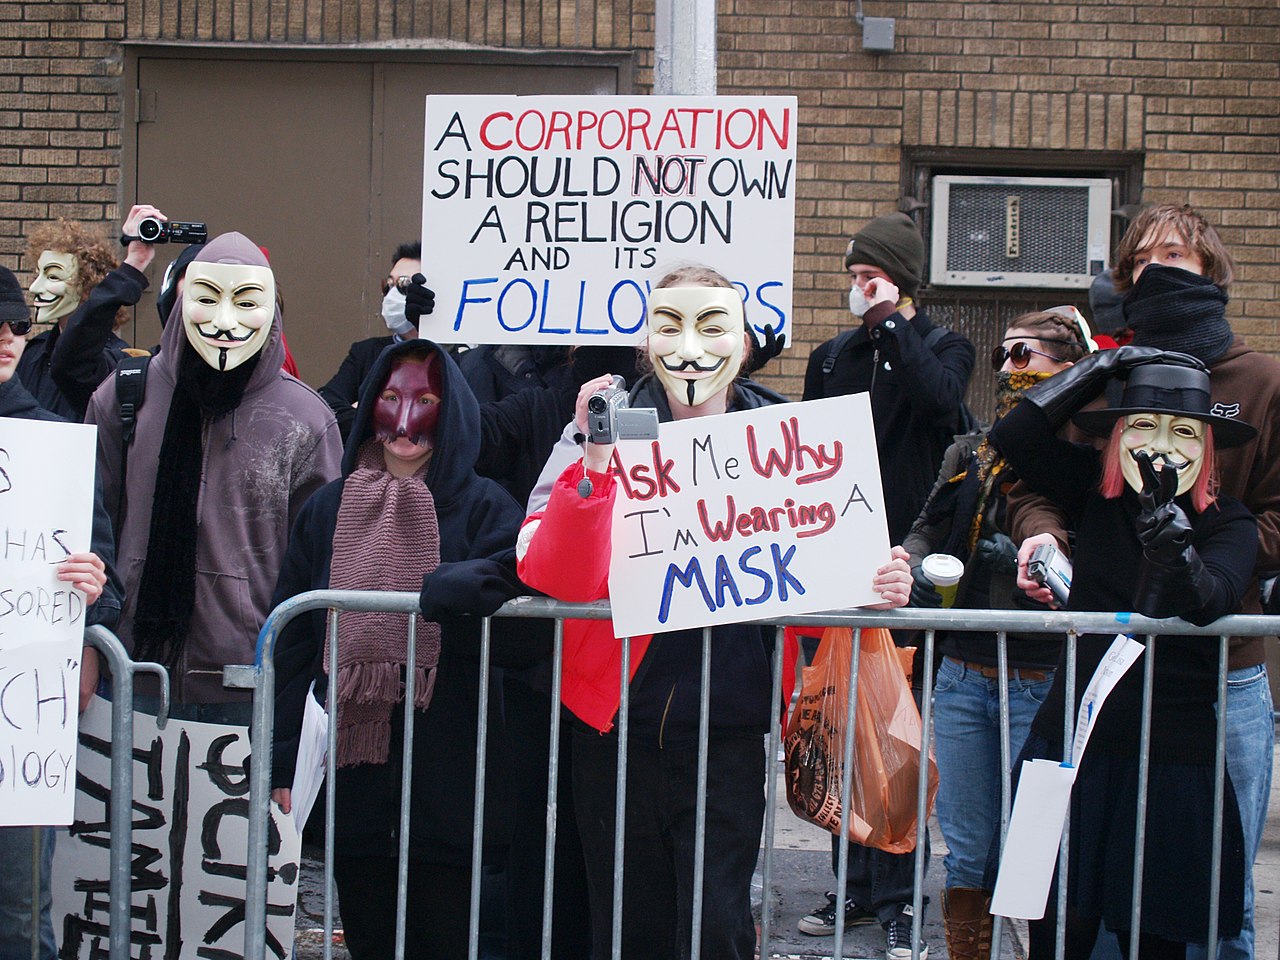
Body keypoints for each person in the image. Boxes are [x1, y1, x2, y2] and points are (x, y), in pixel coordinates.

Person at [517, 264, 914, 960]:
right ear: (646, 340)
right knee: (627, 926)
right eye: (669, 325)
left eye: (710, 324)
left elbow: (821, 580)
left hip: (725, 729)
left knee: (715, 926)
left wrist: (874, 581)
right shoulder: (602, 430)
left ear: (741, 339)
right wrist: (597, 460)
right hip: (615, 726)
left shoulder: (783, 435)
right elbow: (549, 567)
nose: (689, 346)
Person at [1008, 204, 1277, 960]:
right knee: (1052, 907)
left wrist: (1191, 552)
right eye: (1148, 255)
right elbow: (1021, 451)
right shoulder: (1102, 480)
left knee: (1186, 921)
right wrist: (1103, 366)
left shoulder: (1262, 386)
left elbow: (1210, 591)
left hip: (1205, 709)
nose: (1161, 445)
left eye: (1180, 254)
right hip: (1079, 729)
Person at [270, 339, 533, 960]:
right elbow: (295, 641)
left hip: (453, 785)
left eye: (425, 401)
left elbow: (526, 636)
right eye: (390, 398)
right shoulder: (328, 510)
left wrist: (484, 583)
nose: (405, 420)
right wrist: (284, 759)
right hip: (357, 787)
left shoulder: (488, 510)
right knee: (370, 939)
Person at [799, 212, 974, 959]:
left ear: (899, 278)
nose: (855, 287)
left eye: (869, 274)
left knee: (899, 740)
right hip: (844, 568)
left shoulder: (941, 345)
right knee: (845, 735)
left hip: (907, 570)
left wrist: (896, 327)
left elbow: (945, 407)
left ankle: (900, 895)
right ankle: (852, 884)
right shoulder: (832, 355)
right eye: (851, 275)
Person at [85, 230, 342, 708]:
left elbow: (320, 560)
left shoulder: (306, 419)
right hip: (131, 670)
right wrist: (88, 639)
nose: (225, 323)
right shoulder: (123, 395)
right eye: (207, 299)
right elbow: (89, 522)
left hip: (249, 680)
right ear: (183, 301)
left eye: (245, 303)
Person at [903, 310, 1090, 960]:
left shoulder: (1090, 458)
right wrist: (919, 564)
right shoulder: (971, 450)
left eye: (1027, 355)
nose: (1011, 369)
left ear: (1069, 369)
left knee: (1037, 847)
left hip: (1049, 678)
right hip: (964, 674)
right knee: (970, 844)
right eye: (1004, 357)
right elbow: (926, 525)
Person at [0, 264, 121, 960]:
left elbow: (99, 558)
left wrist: (92, 580)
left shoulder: (53, 442)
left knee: (19, 913)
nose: (10, 339)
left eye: (18, 326)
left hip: (19, 725)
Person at [19, 217, 132, 420]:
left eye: (53, 277)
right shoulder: (33, 354)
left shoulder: (116, 359)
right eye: (38, 274)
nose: (35, 287)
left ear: (88, 287)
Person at [319, 242, 432, 440]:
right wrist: (377, 420)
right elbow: (326, 407)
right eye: (388, 286)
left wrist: (362, 409)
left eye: (405, 286)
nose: (392, 295)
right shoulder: (365, 353)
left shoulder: (459, 357)